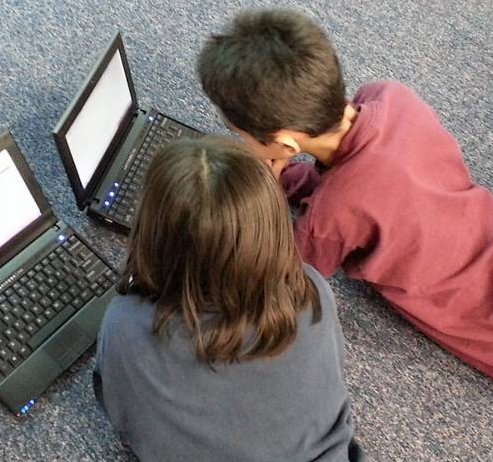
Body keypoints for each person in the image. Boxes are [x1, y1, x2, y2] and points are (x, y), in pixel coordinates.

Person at [196, 8, 493, 395]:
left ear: (285, 144)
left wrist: (266, 183)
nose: (240, 143)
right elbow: (353, 176)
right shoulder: (390, 96)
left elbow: (283, 277)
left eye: (240, 135)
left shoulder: (329, 218)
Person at [93, 137, 365, 461]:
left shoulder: (126, 325)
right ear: (272, 224)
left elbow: (118, 407)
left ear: (152, 232)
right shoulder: (312, 290)